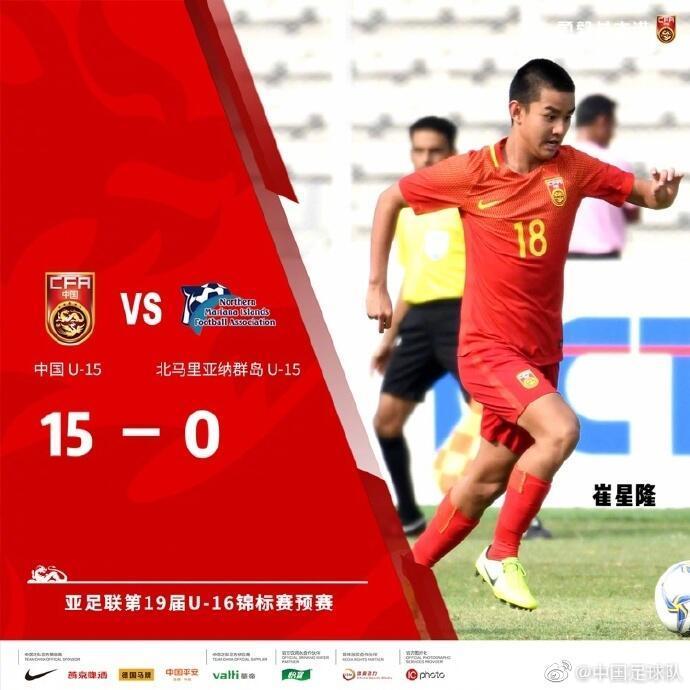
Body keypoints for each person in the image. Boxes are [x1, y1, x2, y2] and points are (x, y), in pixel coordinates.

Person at [366, 58, 682, 611]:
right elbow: (390, 198)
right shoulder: (471, 173)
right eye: (549, 115)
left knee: (485, 479)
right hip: (487, 349)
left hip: (541, 354)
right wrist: (377, 285)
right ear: (517, 112)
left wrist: (664, 193)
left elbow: (645, 197)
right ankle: (501, 554)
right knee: (560, 431)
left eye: (568, 116)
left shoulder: (573, 169)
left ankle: (401, 587)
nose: (560, 128)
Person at [371, 116, 469, 537]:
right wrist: (389, 338)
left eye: (435, 151)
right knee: (386, 421)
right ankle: (409, 513)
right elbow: (413, 278)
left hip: (464, 317)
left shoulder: (468, 202)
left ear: (452, 153)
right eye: (419, 150)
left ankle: (528, 518)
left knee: (497, 421)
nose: (426, 159)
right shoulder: (406, 210)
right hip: (419, 325)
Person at [568, 94, 640, 258]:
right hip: (604, 254)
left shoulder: (556, 161)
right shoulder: (616, 163)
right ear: (603, 121)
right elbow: (633, 213)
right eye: (612, 125)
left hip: (565, 255)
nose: (612, 133)